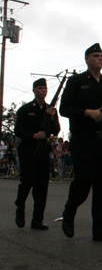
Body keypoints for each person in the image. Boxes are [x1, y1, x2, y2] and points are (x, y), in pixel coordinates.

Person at [60, 42, 102, 242]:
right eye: (96, 55)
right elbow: (64, 109)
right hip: (83, 139)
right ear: (87, 59)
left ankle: (100, 230)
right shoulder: (76, 81)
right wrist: (87, 112)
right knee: (83, 182)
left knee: (101, 186)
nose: (100, 58)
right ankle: (69, 212)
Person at [14, 78, 60, 230]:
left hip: (43, 151)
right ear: (34, 90)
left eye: (45, 88)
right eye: (40, 88)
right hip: (28, 150)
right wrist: (33, 135)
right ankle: (20, 207)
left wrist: (52, 117)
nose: (43, 91)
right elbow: (18, 130)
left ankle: (37, 220)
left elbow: (55, 130)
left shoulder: (50, 109)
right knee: (28, 181)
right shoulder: (25, 109)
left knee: (41, 187)